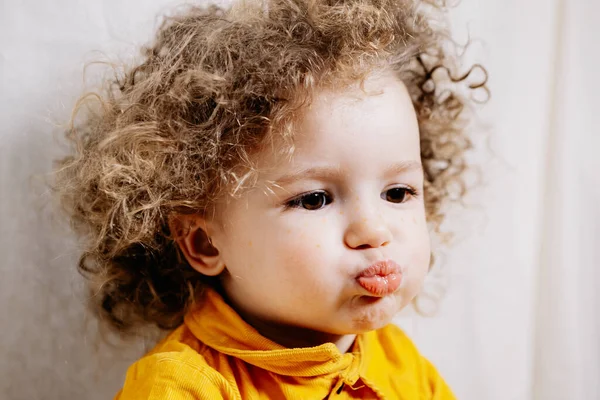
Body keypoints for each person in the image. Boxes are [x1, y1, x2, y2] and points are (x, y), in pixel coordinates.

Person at [54, 0, 488, 398]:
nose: (374, 230)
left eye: (398, 192)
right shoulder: (183, 387)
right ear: (205, 243)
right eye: (315, 199)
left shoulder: (397, 361)